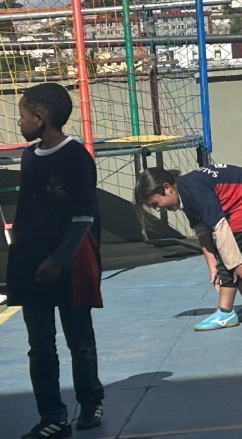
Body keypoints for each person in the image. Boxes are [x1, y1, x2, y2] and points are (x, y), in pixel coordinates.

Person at [7, 83, 105, 439]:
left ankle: (91, 401)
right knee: (40, 347)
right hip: (31, 267)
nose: (19, 122)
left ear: (40, 117)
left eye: (22, 116)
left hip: (68, 267)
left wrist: (58, 260)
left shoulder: (76, 157)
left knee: (79, 341)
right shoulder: (30, 157)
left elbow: (83, 218)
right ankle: (53, 416)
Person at [134, 164, 242, 331]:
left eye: (155, 203)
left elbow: (220, 228)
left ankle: (225, 312)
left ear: (167, 188)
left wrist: (233, 263)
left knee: (229, 258)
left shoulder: (194, 191)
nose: (158, 209)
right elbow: (202, 231)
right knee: (231, 259)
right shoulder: (185, 192)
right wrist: (213, 267)